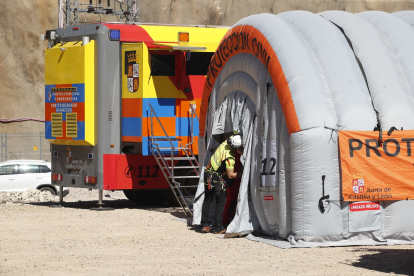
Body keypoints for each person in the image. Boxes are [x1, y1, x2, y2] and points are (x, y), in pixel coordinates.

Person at [201, 134, 244, 234]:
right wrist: (244, 173)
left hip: (207, 174)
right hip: (217, 178)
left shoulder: (225, 143)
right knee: (220, 202)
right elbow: (231, 175)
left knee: (207, 199)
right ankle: (218, 227)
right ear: (237, 149)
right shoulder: (230, 158)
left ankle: (204, 225)